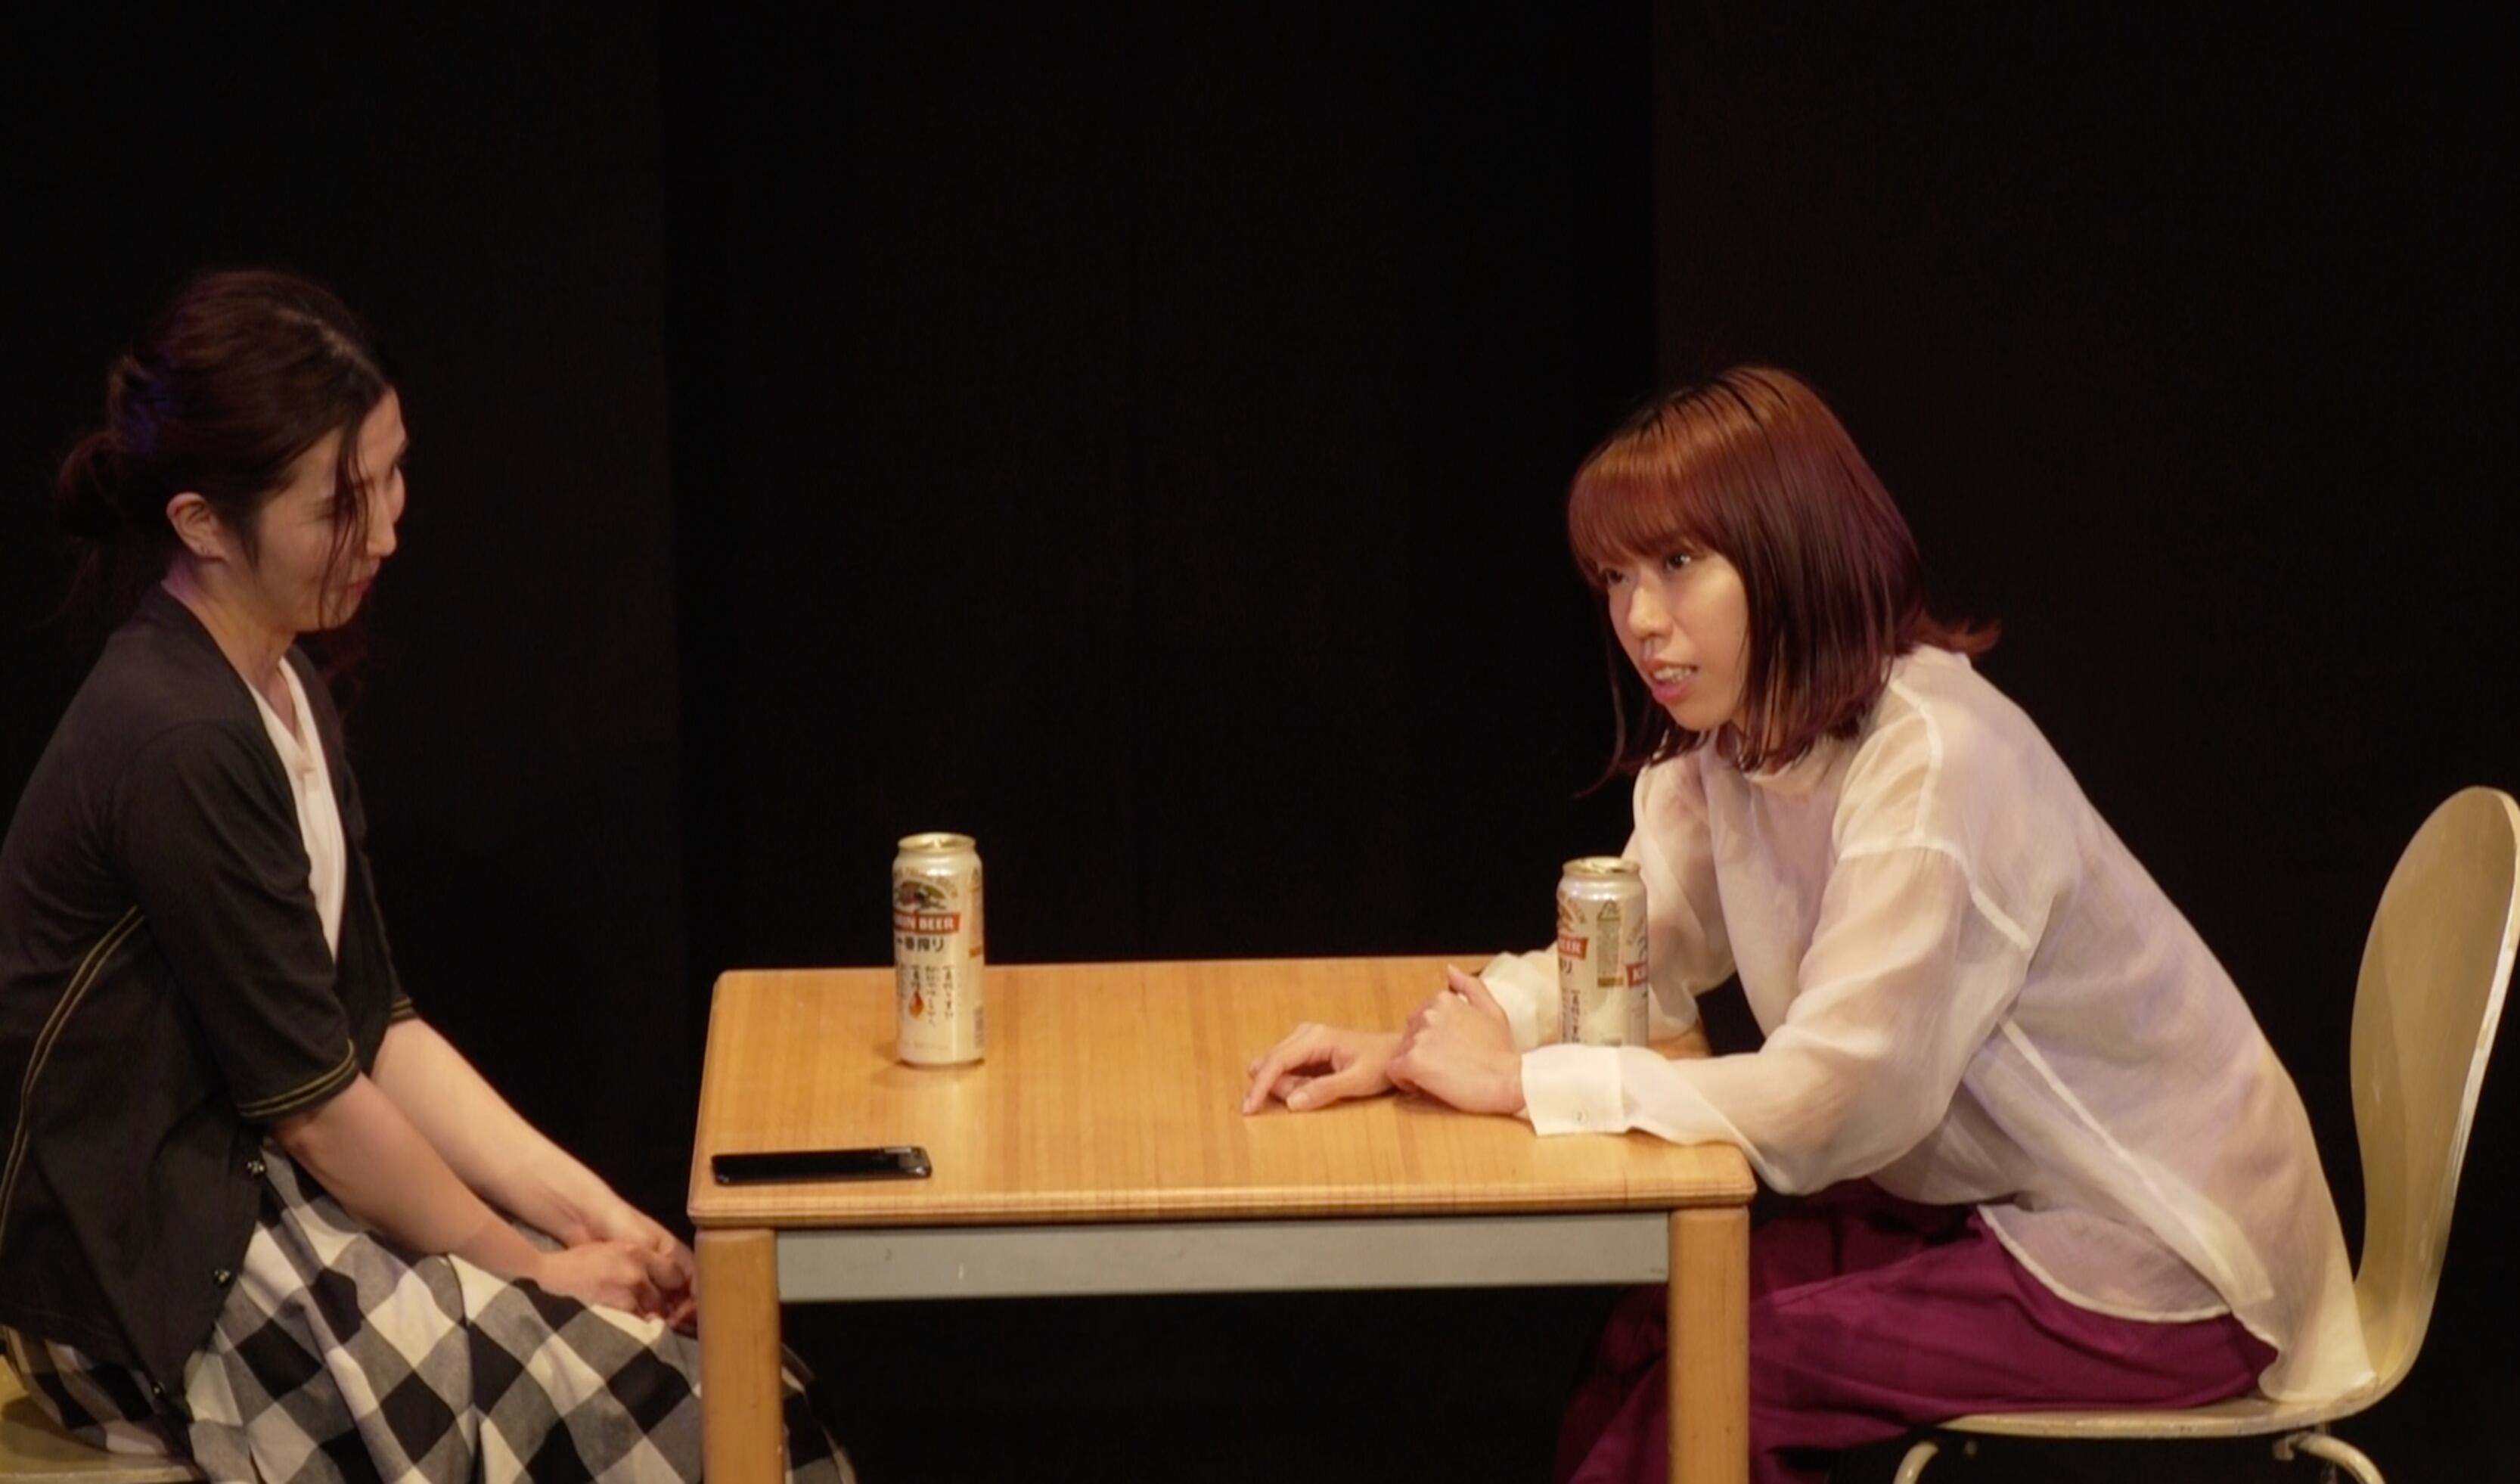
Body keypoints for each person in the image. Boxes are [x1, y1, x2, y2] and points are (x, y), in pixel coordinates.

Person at [1243, 367, 2372, 1483]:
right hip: (1998, 1201)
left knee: (1721, 1377)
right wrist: (1428, 1044)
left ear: (1791, 551)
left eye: (1679, 563)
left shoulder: (1932, 763)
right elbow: (1634, 954)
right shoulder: (1739, 742)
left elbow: (1835, 1097)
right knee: (1653, 1327)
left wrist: (1524, 1084)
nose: (1640, 619)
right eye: (1618, 575)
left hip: (2166, 1253)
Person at [0, 270, 849, 1483]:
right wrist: (533, 1267)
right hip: (153, 1284)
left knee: (745, 1384)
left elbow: (375, 1028)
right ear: (202, 523)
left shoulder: (279, 686)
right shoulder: (177, 734)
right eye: (342, 505)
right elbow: (315, 1107)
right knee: (683, 1426)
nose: (388, 532)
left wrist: (595, 1217)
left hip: (262, 1206)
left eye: (394, 476)